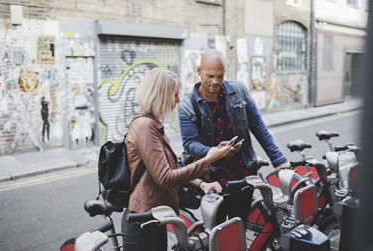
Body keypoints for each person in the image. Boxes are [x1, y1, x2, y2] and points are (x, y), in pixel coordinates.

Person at [121, 67, 235, 251]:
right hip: (142, 219)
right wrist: (207, 161)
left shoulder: (153, 124)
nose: (178, 100)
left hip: (156, 215)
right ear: (160, 95)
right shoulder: (145, 126)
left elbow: (173, 167)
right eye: (174, 95)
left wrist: (201, 184)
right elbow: (165, 177)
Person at [178, 49, 291, 192]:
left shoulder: (239, 91)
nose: (215, 81)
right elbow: (190, 143)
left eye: (220, 76)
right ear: (199, 71)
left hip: (243, 170)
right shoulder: (187, 105)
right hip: (212, 177)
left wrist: (278, 159)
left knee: (244, 214)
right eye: (210, 76)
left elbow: (258, 126)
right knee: (217, 215)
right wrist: (214, 152)